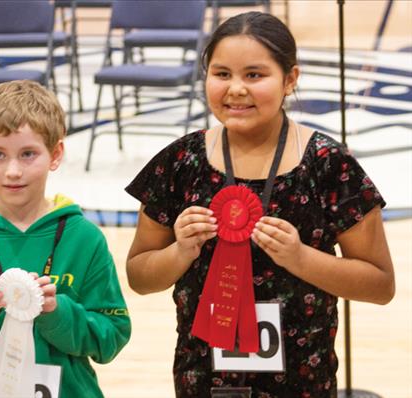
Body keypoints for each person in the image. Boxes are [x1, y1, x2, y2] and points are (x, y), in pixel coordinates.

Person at [124, 11, 395, 397]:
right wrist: (180, 252)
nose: (235, 89)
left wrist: (301, 258)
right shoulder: (180, 162)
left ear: (290, 79)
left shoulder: (328, 165)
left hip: (303, 381)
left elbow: (380, 285)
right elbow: (139, 276)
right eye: (221, 74)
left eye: (254, 75)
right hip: (203, 378)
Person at [0, 80, 131, 398]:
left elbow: (112, 336)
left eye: (28, 154)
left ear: (55, 154)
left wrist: (59, 313)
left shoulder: (85, 239)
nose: (13, 171)